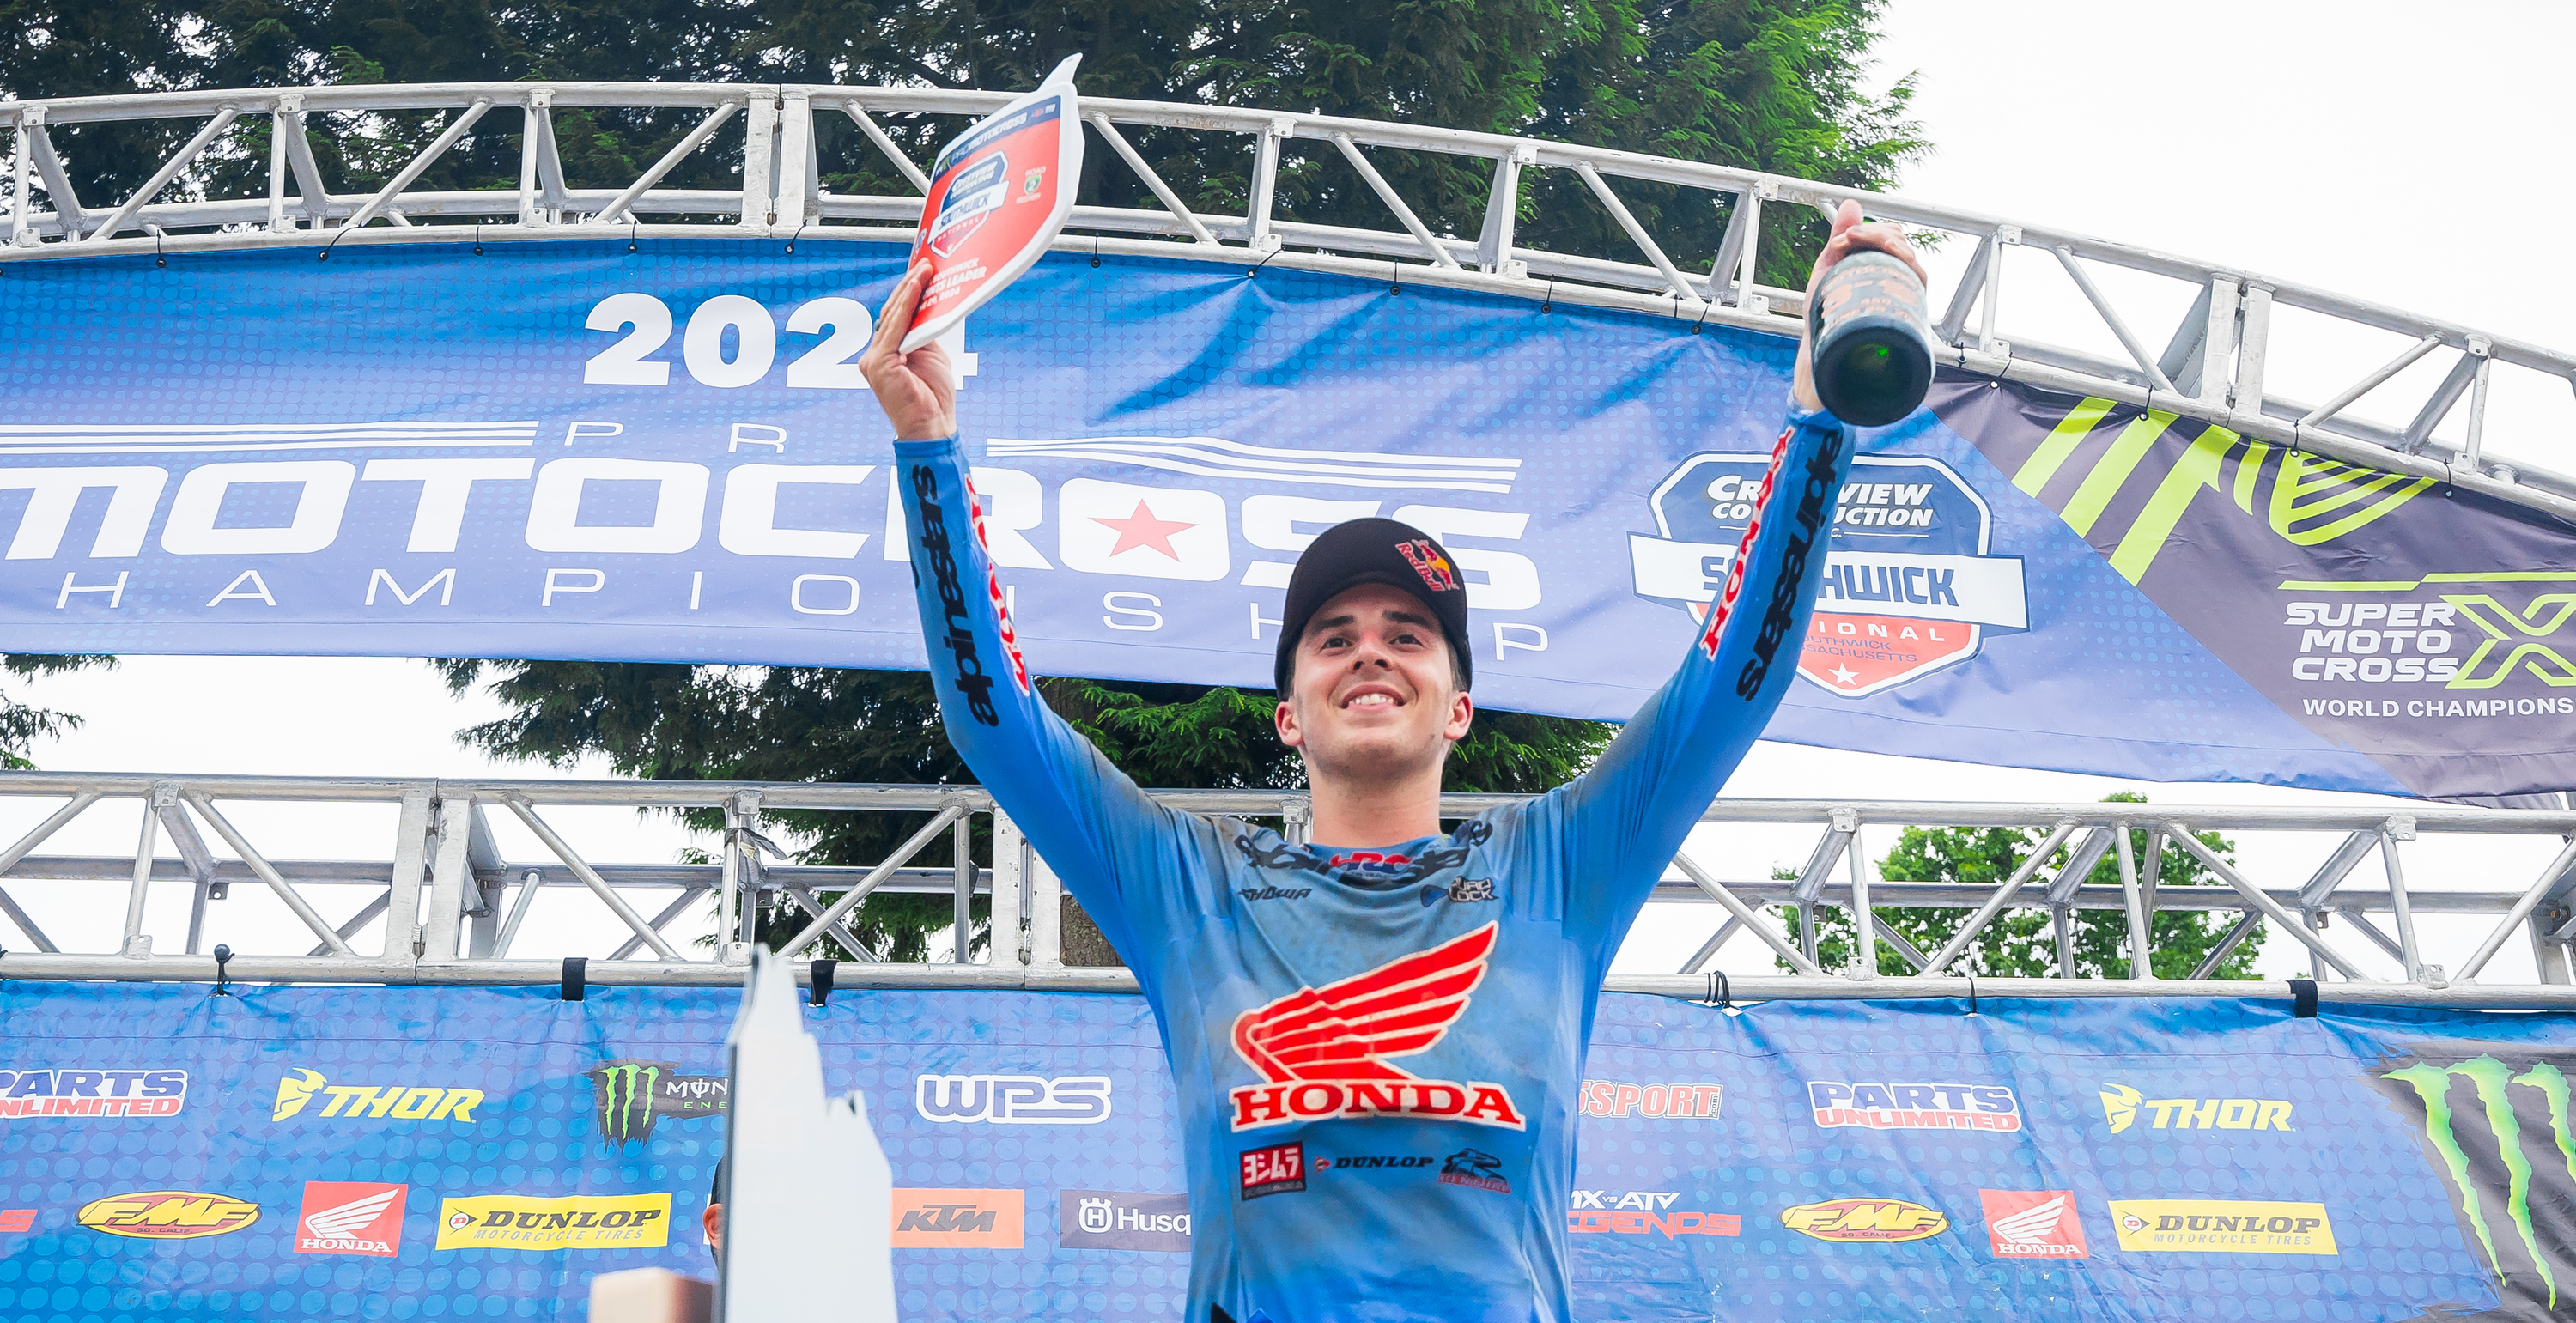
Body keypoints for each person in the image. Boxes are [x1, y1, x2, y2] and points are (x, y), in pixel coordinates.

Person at [860, 201, 1917, 1323]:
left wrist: (1817, 426)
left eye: (1408, 635)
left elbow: (1729, 687)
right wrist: (928, 447)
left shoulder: (1559, 866)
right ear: (1290, 718)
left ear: (1458, 706)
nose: (1370, 651)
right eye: (1333, 638)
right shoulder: (1192, 888)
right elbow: (993, 721)